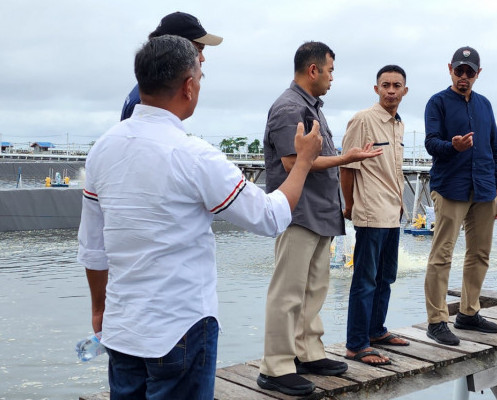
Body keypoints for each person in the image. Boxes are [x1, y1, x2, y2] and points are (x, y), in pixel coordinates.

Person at [78, 35, 321, 399]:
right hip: (180, 327)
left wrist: (100, 308)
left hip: (122, 326)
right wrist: (302, 163)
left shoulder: (102, 149)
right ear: (189, 87)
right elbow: (269, 217)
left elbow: (93, 247)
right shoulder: (195, 156)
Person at [258, 41, 382, 396]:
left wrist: (345, 157)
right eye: (329, 71)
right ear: (313, 70)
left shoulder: (310, 107)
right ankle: (276, 367)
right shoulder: (288, 108)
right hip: (297, 211)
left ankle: (307, 352)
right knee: (288, 292)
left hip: (318, 212)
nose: (331, 78)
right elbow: (291, 162)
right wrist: (348, 158)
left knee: (313, 288)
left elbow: (313, 158)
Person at [423, 46, 497, 346]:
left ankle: (469, 313)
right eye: (460, 70)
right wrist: (453, 146)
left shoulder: (485, 104)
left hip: (484, 189)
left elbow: (495, 147)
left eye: (470, 72)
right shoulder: (437, 102)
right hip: (450, 188)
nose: (464, 77)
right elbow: (431, 143)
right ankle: (437, 320)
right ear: (450, 69)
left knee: (480, 253)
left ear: (478, 74)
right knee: (442, 255)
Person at [341, 65, 410, 366]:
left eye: (397, 85)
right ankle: (356, 344)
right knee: (365, 279)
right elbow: (347, 165)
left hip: (393, 211)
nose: (391, 90)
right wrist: (349, 204)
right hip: (370, 211)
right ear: (376, 89)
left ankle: (376, 331)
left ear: (404, 91)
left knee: (386, 277)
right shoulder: (363, 120)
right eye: (386, 85)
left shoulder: (398, 124)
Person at [120, 11, 222, 121]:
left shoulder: (149, 93)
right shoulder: (151, 103)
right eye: (198, 50)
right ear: (175, 46)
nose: (202, 58)